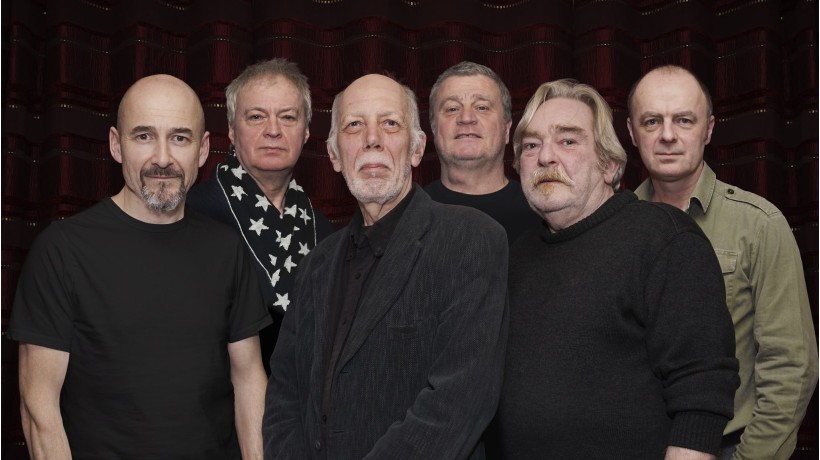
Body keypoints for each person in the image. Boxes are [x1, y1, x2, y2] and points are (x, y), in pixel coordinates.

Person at [7, 74, 271, 458]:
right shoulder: (61, 250)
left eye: (179, 138)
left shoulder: (228, 249)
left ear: (202, 150)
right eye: (144, 136)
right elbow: (38, 408)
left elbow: (248, 382)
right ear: (116, 145)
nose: (162, 159)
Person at [263, 73, 509, 459]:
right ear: (334, 155)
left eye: (390, 123)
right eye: (354, 125)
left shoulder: (471, 239)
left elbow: (459, 401)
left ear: (417, 148)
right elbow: (284, 397)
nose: (372, 139)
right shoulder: (315, 264)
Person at [497, 78, 739, 459]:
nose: (545, 157)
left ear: (609, 165)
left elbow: (702, 389)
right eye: (530, 145)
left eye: (568, 141)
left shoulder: (664, 239)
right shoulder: (517, 257)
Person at [628, 65, 819, 460]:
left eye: (684, 120)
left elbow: (792, 366)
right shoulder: (615, 227)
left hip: (728, 447)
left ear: (709, 129)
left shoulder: (759, 225)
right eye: (651, 121)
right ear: (631, 132)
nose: (667, 135)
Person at [187, 58, 334, 374]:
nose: (273, 131)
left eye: (288, 117)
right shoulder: (193, 215)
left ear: (306, 131)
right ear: (231, 130)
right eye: (256, 117)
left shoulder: (324, 232)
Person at [425, 61, 540, 245]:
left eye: (482, 107)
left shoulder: (543, 214)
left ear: (506, 130)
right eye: (452, 109)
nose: (466, 118)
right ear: (433, 129)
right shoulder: (406, 215)